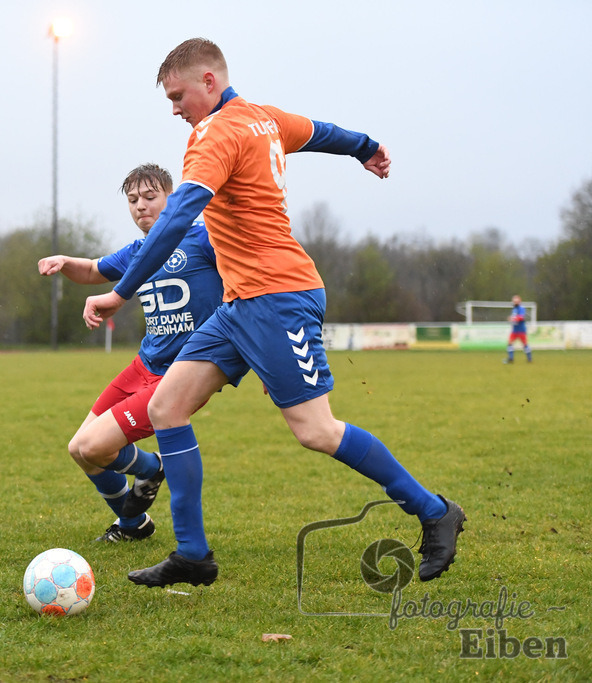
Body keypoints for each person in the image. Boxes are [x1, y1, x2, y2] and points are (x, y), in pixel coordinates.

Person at [82, 38, 465, 588]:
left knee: (316, 430)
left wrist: (123, 290)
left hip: (278, 298)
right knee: (166, 408)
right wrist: (365, 147)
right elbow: (321, 132)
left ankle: (434, 511)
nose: (174, 108)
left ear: (209, 81)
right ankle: (193, 554)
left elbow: (178, 215)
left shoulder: (213, 134)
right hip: (239, 306)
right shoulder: (265, 119)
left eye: (177, 95)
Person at [38, 163, 223, 543]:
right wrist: (65, 262)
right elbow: (92, 270)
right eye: (133, 200)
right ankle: (135, 523)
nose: (140, 206)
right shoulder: (138, 252)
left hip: (182, 374)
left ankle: (151, 469)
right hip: (144, 365)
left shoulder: (206, 240)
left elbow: (250, 284)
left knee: (94, 446)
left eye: (150, 197)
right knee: (79, 449)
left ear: (173, 199)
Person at [504, 295, 532, 363]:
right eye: (513, 301)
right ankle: (511, 358)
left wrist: (513, 318)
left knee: (525, 344)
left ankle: (529, 358)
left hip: (521, 330)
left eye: (515, 301)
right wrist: (511, 319)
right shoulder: (514, 309)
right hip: (515, 330)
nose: (514, 303)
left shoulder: (521, 308)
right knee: (509, 343)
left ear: (519, 302)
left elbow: (522, 317)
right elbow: (514, 318)